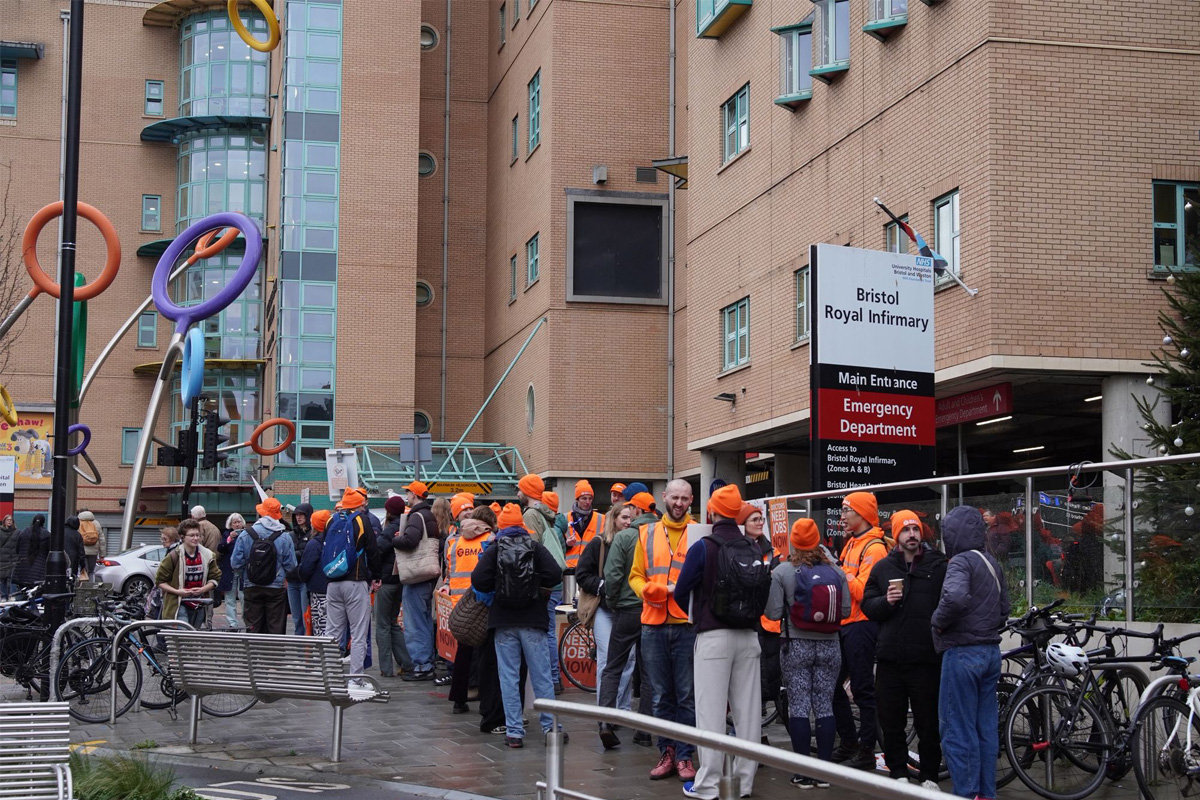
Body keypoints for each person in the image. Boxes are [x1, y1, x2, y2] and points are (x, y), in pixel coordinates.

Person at [674, 484, 765, 800]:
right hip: (749, 637)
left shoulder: (704, 546)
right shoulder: (753, 547)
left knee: (710, 714)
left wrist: (695, 612)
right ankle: (744, 783)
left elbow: (680, 590)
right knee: (749, 715)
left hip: (713, 637)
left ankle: (710, 784)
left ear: (711, 512)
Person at [862, 509, 948, 789]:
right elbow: (868, 606)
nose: (911, 535)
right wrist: (886, 601)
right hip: (890, 659)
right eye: (905, 530)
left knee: (927, 723)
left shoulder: (938, 565)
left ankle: (930, 777)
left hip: (925, 659)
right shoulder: (884, 568)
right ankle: (898, 772)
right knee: (891, 721)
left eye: (915, 530)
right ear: (896, 535)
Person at [765, 518, 851, 789]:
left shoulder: (783, 571)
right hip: (830, 645)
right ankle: (823, 773)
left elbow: (772, 613)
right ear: (817, 541)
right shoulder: (835, 571)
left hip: (796, 645)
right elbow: (846, 611)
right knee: (825, 704)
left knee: (800, 705)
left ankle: (803, 772)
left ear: (793, 541)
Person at [932, 506, 1011, 800]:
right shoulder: (991, 561)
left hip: (963, 653)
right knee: (985, 730)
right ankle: (985, 794)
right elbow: (1005, 609)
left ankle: (966, 793)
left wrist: (937, 623)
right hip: (991, 652)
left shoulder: (960, 562)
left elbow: (954, 598)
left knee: (956, 728)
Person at [470, 503, 564, 749]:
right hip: (533, 619)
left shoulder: (494, 549)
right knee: (542, 676)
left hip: (503, 621)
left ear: (500, 526)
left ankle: (514, 732)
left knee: (508, 677)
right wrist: (535, 584)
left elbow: (478, 579)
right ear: (522, 527)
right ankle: (550, 728)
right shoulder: (535, 547)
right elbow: (555, 574)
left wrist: (498, 588)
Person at [628, 479, 697, 782]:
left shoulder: (699, 534)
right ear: (664, 498)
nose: (679, 503)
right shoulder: (646, 532)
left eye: (684, 498)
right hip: (653, 623)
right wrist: (651, 591)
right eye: (675, 498)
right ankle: (666, 751)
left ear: (691, 500)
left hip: (686, 624)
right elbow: (635, 576)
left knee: (686, 696)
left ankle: (684, 756)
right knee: (660, 696)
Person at [831, 491, 889, 769]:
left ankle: (866, 750)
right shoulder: (853, 543)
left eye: (846, 511)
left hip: (862, 625)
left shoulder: (874, 548)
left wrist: (838, 570)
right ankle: (851, 742)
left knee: (863, 689)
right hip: (847, 625)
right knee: (832, 685)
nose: (841, 517)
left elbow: (862, 592)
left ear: (862, 514)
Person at [599, 492, 659, 749]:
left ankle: (605, 722)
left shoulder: (624, 537)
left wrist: (613, 602)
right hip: (653, 611)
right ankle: (644, 730)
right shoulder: (660, 537)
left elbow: (611, 576)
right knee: (648, 673)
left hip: (625, 611)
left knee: (613, 667)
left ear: (635, 511)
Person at [576, 502, 638, 738]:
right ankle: (606, 713)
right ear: (613, 519)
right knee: (606, 660)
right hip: (604, 609)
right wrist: (603, 586)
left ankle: (621, 709)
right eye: (624, 517)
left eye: (631, 518)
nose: (628, 522)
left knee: (628, 661)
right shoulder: (599, 543)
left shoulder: (635, 543)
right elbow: (582, 573)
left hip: (626, 609)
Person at [325, 487, 382, 686]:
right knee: (358, 633)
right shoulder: (361, 520)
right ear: (359, 504)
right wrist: (376, 576)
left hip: (332, 582)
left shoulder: (331, 520)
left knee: (332, 633)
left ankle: (330, 676)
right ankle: (355, 679)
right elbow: (373, 551)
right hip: (355, 582)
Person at [517, 473, 568, 694]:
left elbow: (531, 550)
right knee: (548, 631)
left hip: (543, 585)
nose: (517, 493)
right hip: (553, 582)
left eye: (519, 489)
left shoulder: (530, 515)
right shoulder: (545, 513)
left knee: (545, 632)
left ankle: (552, 680)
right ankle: (554, 679)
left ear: (527, 492)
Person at [444, 504, 495, 713]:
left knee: (463, 653)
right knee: (484, 652)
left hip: (460, 603)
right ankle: (482, 694)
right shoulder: (490, 540)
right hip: (482, 602)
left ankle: (458, 698)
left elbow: (449, 568)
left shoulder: (455, 541)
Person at [741, 502, 784, 725]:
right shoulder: (737, 549)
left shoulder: (773, 552)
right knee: (749, 679)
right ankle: (752, 732)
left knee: (768, 677)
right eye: (754, 519)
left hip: (769, 624)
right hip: (746, 621)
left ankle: (757, 730)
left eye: (761, 519)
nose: (760, 523)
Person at [230, 498, 297, 635]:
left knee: (253, 627)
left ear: (262, 513)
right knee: (275, 627)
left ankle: (254, 654)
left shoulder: (245, 535)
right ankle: (273, 654)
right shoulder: (284, 536)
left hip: (251, 585)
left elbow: (235, 563)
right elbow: (291, 565)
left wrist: (247, 572)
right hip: (276, 588)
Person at [395, 480, 441, 681]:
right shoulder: (429, 514)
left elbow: (410, 541)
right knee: (422, 620)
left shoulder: (416, 516)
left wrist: (395, 539)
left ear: (415, 495)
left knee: (414, 622)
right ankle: (427, 662)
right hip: (427, 575)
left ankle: (421, 665)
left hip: (416, 577)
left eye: (408, 493)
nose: (407, 496)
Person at [155, 519, 221, 627]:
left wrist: (203, 589)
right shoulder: (173, 556)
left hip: (200, 604)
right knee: (183, 634)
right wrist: (177, 591)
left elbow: (215, 578)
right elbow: (160, 581)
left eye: (198, 535)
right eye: (191, 535)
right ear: (182, 537)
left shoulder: (208, 555)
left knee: (193, 637)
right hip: (179, 604)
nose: (195, 538)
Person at [376, 495, 413, 678]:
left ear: (389, 511)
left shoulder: (390, 529)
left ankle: (386, 668)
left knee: (382, 625)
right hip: (401, 580)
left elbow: (377, 551)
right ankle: (407, 663)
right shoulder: (406, 526)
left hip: (387, 580)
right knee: (393, 624)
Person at [299, 509, 333, 636]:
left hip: (318, 589)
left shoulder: (314, 543)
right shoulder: (334, 540)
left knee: (320, 624)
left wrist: (302, 576)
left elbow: (306, 567)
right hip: (334, 587)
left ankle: (323, 654)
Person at [286, 503, 314, 636]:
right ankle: (299, 649)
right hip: (291, 580)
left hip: (304, 580)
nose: (298, 517)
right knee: (296, 618)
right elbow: (286, 553)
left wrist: (295, 554)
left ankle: (306, 649)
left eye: (301, 514)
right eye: (296, 514)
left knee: (305, 617)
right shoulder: (291, 534)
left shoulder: (313, 533)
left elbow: (308, 553)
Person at [218, 513, 247, 629]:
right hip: (229, 570)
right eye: (234, 522)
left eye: (238, 522)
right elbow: (220, 548)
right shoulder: (226, 535)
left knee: (243, 597)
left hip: (243, 570)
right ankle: (232, 623)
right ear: (230, 524)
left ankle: (246, 620)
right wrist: (229, 539)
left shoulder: (247, 534)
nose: (237, 524)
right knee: (229, 598)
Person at [565, 481, 601, 573]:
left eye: (590, 498)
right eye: (584, 498)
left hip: (590, 569)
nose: (587, 502)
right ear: (577, 499)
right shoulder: (565, 518)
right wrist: (567, 544)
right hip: (569, 570)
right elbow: (557, 546)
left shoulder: (601, 519)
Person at [77, 510, 104, 579]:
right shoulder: (96, 523)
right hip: (94, 552)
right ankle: (91, 585)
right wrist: (102, 555)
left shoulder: (79, 523)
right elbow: (102, 540)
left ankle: (83, 585)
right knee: (91, 570)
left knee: (83, 570)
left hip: (82, 551)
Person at [62, 516, 85, 582]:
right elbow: (81, 552)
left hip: (60, 558)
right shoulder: (77, 535)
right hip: (73, 560)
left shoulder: (60, 532)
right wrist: (83, 565)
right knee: (71, 578)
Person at [0, 515, 17, 599]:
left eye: (11, 520)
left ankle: (13, 595)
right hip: (2, 559)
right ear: (4, 521)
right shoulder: (0, 531)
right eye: (7, 520)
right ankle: (4, 595)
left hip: (13, 558)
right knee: (2, 578)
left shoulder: (17, 532)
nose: (9, 521)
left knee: (12, 578)